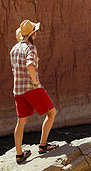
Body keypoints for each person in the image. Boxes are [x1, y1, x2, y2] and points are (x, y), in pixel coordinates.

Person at [9, 19, 58, 163]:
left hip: (18, 90)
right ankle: (43, 145)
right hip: (31, 88)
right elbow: (30, 65)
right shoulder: (30, 48)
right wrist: (36, 82)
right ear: (32, 34)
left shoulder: (14, 49)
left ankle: (19, 155)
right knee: (52, 113)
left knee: (21, 121)